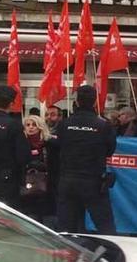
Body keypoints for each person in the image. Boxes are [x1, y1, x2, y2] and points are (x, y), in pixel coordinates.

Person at [53, 86, 117, 234]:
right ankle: (112, 254)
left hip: (68, 180)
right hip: (93, 181)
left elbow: (58, 145)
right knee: (105, 226)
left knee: (66, 227)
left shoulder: (64, 124)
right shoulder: (103, 125)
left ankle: (68, 255)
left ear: (76, 101)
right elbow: (110, 150)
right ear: (95, 102)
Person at [20, 115, 53, 222]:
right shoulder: (21, 143)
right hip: (25, 184)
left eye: (34, 125)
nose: (31, 127)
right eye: (28, 125)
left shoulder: (48, 143)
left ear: (40, 127)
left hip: (45, 183)